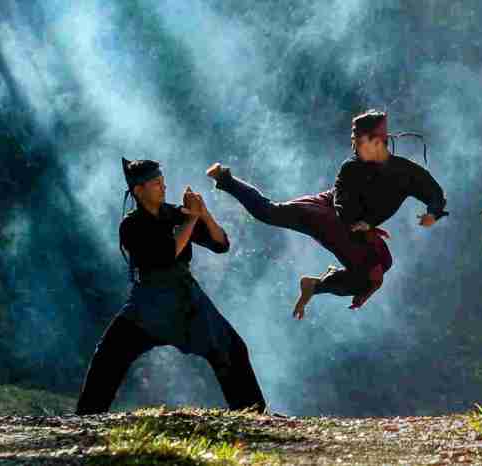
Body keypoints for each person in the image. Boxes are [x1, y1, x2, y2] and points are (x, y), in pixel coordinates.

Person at [207, 109, 448, 319]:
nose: (354, 146)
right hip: (330, 213)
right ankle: (225, 178)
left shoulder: (403, 172)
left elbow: (432, 190)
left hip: (354, 226)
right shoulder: (351, 167)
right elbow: (343, 205)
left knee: (381, 265)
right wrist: (365, 226)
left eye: (359, 141)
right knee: (271, 212)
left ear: (377, 142)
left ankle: (316, 286)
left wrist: (433, 213)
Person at [75, 157, 266, 414]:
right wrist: (190, 221)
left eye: (163, 182)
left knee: (232, 349)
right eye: (156, 184)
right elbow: (165, 254)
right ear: (139, 190)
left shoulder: (175, 213)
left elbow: (221, 244)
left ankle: (252, 414)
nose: (163, 188)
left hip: (186, 298)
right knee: (108, 356)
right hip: (149, 303)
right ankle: (87, 417)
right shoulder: (131, 225)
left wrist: (204, 214)